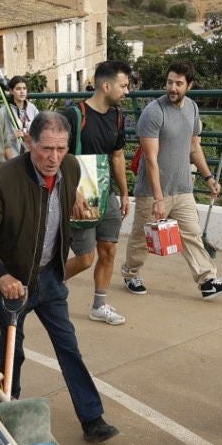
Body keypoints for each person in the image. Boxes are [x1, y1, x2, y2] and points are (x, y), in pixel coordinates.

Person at [0, 111, 118, 443]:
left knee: (69, 348)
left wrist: (74, 195)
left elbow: (66, 183)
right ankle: (7, 425)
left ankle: (93, 419)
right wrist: (1, 275)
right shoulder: (2, 180)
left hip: (50, 279)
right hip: (12, 284)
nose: (53, 158)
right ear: (28, 142)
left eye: (60, 149)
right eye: (45, 149)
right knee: (12, 354)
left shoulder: (70, 167)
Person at [120, 61, 222, 301]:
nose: (173, 87)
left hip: (183, 187)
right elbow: (150, 159)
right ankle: (131, 273)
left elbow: (194, 147)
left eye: (179, 83)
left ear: (189, 85)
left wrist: (208, 178)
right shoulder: (154, 112)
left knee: (192, 234)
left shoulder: (192, 109)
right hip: (153, 191)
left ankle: (207, 280)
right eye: (170, 82)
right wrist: (159, 198)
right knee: (142, 237)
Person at [63, 60, 134, 326]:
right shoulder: (74, 115)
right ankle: (44, 285)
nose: (126, 91)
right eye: (123, 85)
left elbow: (117, 156)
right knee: (84, 258)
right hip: (79, 193)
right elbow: (57, 156)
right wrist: (72, 192)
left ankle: (99, 305)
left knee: (109, 250)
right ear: (106, 86)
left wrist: (124, 193)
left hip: (106, 194)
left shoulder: (117, 117)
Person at [0, 75, 40, 159]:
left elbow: (40, 129)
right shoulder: (3, 111)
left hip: (30, 155)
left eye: (24, 88)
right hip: (11, 157)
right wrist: (11, 136)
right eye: (18, 89)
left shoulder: (32, 108)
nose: (22, 92)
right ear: (11, 91)